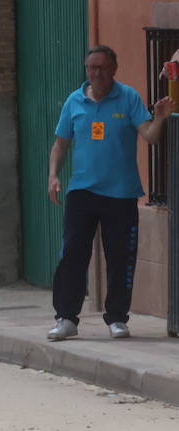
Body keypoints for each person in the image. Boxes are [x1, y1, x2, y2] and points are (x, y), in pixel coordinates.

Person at [46, 45, 174, 341]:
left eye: (102, 68)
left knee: (120, 257)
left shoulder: (128, 97)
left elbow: (150, 137)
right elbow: (60, 144)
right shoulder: (74, 101)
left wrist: (160, 117)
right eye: (92, 68)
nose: (96, 73)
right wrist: (53, 175)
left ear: (113, 70)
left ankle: (117, 318)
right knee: (72, 255)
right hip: (82, 192)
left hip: (121, 193)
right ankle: (66, 318)